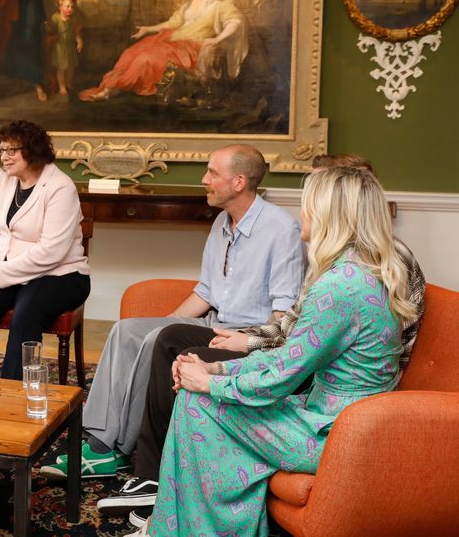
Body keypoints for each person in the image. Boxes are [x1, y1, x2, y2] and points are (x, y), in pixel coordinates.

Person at [102, 153, 427, 523]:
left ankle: (184, 524)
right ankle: (187, 521)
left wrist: (209, 382)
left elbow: (281, 376)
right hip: (333, 417)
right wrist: (221, 368)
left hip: (336, 433)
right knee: (197, 391)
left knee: (196, 403)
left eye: (308, 206)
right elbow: (288, 353)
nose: (301, 214)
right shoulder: (357, 271)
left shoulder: (340, 285)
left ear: (328, 215)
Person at [40, 144, 304, 480]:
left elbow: (283, 312)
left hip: (242, 332)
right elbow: (206, 292)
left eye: (212, 173)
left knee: (155, 340)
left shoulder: (281, 230)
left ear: (239, 182)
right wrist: (166, 322)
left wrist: (243, 342)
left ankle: (117, 449)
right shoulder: (223, 221)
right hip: (212, 320)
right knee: (127, 329)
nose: (204, 179)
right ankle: (96, 438)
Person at [0, 119, 90, 380]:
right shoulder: (4, 178)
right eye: (2, 150)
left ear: (32, 150)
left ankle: (12, 392)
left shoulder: (60, 187)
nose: (4, 158)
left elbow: (51, 252)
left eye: (12, 150)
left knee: (27, 312)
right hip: (9, 272)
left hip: (60, 276)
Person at [78, 0, 247, 102]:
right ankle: (110, 87)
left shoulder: (220, 3)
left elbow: (235, 22)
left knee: (146, 59)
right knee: (130, 53)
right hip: (172, 39)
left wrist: (217, 39)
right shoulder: (189, 3)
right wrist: (148, 29)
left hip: (190, 47)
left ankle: (111, 90)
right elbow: (172, 23)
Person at [45, 0, 83, 97]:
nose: (70, 8)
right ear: (60, 7)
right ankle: (61, 86)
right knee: (61, 69)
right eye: (67, 6)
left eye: (72, 6)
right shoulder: (55, 18)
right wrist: (48, 28)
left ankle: (68, 83)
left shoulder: (73, 19)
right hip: (59, 48)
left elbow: (76, 32)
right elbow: (50, 30)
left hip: (70, 47)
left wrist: (79, 41)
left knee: (71, 67)